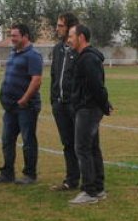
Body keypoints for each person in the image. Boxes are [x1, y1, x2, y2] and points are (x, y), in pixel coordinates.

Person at [0, 23, 44, 185]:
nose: (11, 39)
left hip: (26, 107)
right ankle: (7, 173)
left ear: (25, 36)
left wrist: (24, 99)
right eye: (11, 35)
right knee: (7, 140)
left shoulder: (33, 55)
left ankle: (30, 174)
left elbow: (36, 80)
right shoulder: (13, 52)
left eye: (14, 36)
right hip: (10, 107)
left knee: (28, 140)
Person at [68, 23, 113, 205]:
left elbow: (97, 86)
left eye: (71, 36)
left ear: (81, 38)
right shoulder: (83, 58)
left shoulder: (88, 59)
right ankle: (98, 188)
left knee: (83, 149)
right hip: (87, 108)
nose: (69, 40)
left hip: (88, 109)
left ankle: (89, 191)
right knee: (92, 148)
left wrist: (104, 105)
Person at [48, 12, 81, 191]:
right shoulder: (57, 49)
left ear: (69, 28)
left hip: (74, 104)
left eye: (60, 26)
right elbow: (54, 75)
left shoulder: (79, 50)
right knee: (67, 143)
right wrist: (53, 100)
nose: (57, 29)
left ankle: (92, 181)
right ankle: (72, 179)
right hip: (59, 104)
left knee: (82, 144)